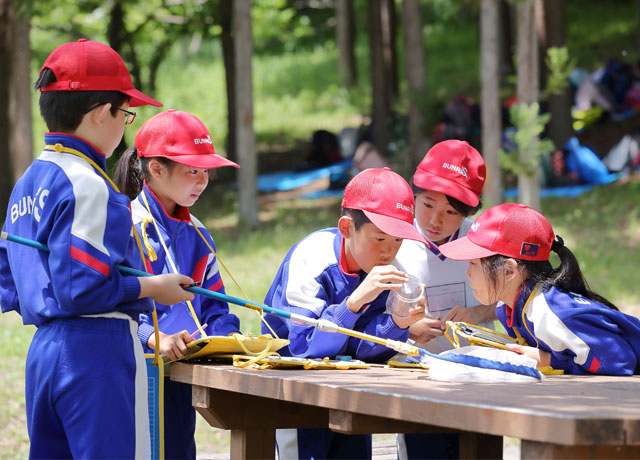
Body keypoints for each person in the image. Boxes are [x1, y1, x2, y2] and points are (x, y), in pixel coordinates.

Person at [0, 39, 195, 459]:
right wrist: (152, 286)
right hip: (96, 353)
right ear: (100, 113)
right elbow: (82, 289)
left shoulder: (28, 182)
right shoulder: (88, 183)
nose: (125, 124)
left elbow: (8, 279)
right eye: (126, 113)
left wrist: (47, 305)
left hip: (44, 354)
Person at [262, 167, 428, 460]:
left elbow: (363, 350)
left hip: (350, 390)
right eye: (380, 239)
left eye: (398, 241)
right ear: (346, 228)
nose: (389, 252)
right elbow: (303, 346)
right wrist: (353, 304)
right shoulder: (312, 257)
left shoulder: (390, 270)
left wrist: (397, 323)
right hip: (295, 391)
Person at [115, 109, 241, 459]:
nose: (202, 181)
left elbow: (216, 306)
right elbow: (112, 303)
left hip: (182, 373)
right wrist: (155, 338)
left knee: (179, 450)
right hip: (134, 373)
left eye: (206, 171)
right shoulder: (124, 226)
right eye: (192, 171)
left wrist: (227, 340)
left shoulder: (197, 233)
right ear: (156, 169)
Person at [439, 203, 640, 375]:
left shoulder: (550, 315)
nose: (467, 274)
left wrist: (550, 361)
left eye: (473, 264)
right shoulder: (508, 306)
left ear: (509, 271)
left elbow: (620, 362)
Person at [393, 139, 495, 459]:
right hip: (418, 383)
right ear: (414, 195)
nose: (436, 220)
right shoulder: (392, 242)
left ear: (468, 211)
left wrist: (478, 313)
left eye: (451, 212)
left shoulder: (482, 243)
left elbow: (511, 300)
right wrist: (407, 328)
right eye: (427, 205)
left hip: (478, 381)